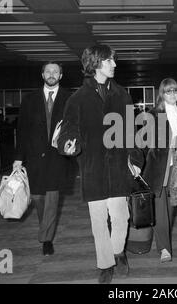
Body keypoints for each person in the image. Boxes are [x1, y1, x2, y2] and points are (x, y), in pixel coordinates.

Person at [57, 45, 143, 284]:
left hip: (118, 167)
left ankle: (117, 252)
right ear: (95, 64)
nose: (114, 64)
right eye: (110, 61)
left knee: (121, 217)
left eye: (114, 60)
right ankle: (105, 264)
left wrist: (135, 159)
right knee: (98, 221)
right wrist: (68, 144)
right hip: (93, 167)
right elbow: (68, 130)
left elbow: (130, 132)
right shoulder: (78, 98)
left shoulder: (122, 95)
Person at [13, 61, 71, 256]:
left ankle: (46, 239)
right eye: (48, 71)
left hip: (58, 157)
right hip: (34, 157)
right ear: (42, 74)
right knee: (38, 197)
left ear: (61, 76)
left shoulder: (69, 98)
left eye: (56, 71)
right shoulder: (29, 99)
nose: (52, 74)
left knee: (52, 198)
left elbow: (75, 128)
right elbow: (22, 130)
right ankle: (46, 228)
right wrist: (18, 157)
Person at [139, 78, 177, 263]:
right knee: (161, 210)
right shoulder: (153, 114)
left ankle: (160, 239)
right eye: (168, 91)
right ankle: (165, 248)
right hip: (159, 168)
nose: (172, 95)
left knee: (169, 209)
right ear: (162, 94)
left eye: (175, 91)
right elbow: (145, 143)